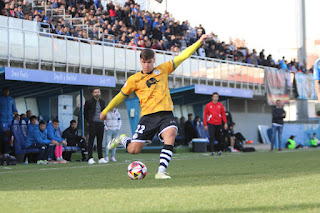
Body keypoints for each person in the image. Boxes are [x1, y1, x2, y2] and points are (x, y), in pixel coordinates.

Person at [100, 34, 209, 179]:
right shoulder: (134, 79)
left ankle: (161, 172)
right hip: (147, 117)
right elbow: (120, 95)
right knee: (133, 150)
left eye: (149, 62)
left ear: (154, 61)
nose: (146, 65)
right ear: (140, 61)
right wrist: (106, 111)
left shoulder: (163, 69)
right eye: (144, 62)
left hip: (166, 114)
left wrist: (199, 42)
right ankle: (123, 139)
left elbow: (182, 56)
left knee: (170, 134)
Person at [84, 88, 108, 164]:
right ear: (93, 93)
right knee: (91, 141)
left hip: (100, 123)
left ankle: (100, 158)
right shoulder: (89, 102)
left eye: (98, 92)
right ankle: (90, 158)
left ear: (100, 93)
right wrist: (88, 122)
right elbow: (85, 113)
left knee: (100, 141)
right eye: (95, 92)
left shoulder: (102, 102)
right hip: (92, 123)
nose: (97, 93)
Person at [0, 87, 18, 155]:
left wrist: (14, 114)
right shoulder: (0, 99)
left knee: (10, 135)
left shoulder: (11, 99)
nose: (6, 93)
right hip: (2, 120)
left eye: (7, 91)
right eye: (5, 91)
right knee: (5, 134)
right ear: (3, 92)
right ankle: (4, 152)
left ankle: (8, 152)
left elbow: (15, 110)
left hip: (10, 121)